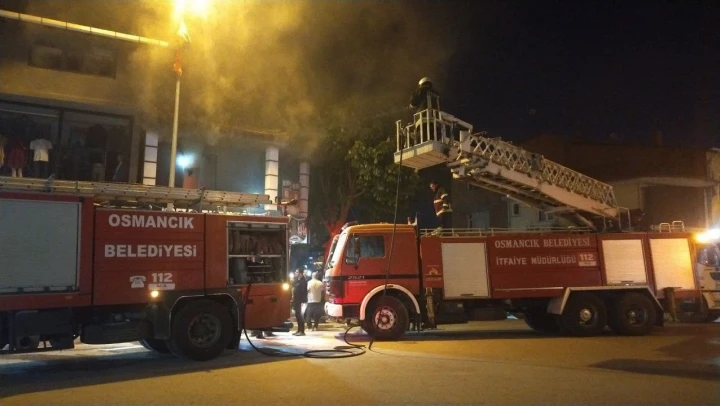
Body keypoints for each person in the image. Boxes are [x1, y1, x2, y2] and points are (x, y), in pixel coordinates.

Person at [292, 269, 307, 336]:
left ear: (300, 273)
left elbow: (304, 292)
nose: (295, 273)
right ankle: (298, 330)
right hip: (296, 301)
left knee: (301, 316)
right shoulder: (296, 280)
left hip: (301, 301)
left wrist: (303, 301)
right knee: (297, 315)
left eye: (297, 272)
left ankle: (302, 331)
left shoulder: (303, 281)